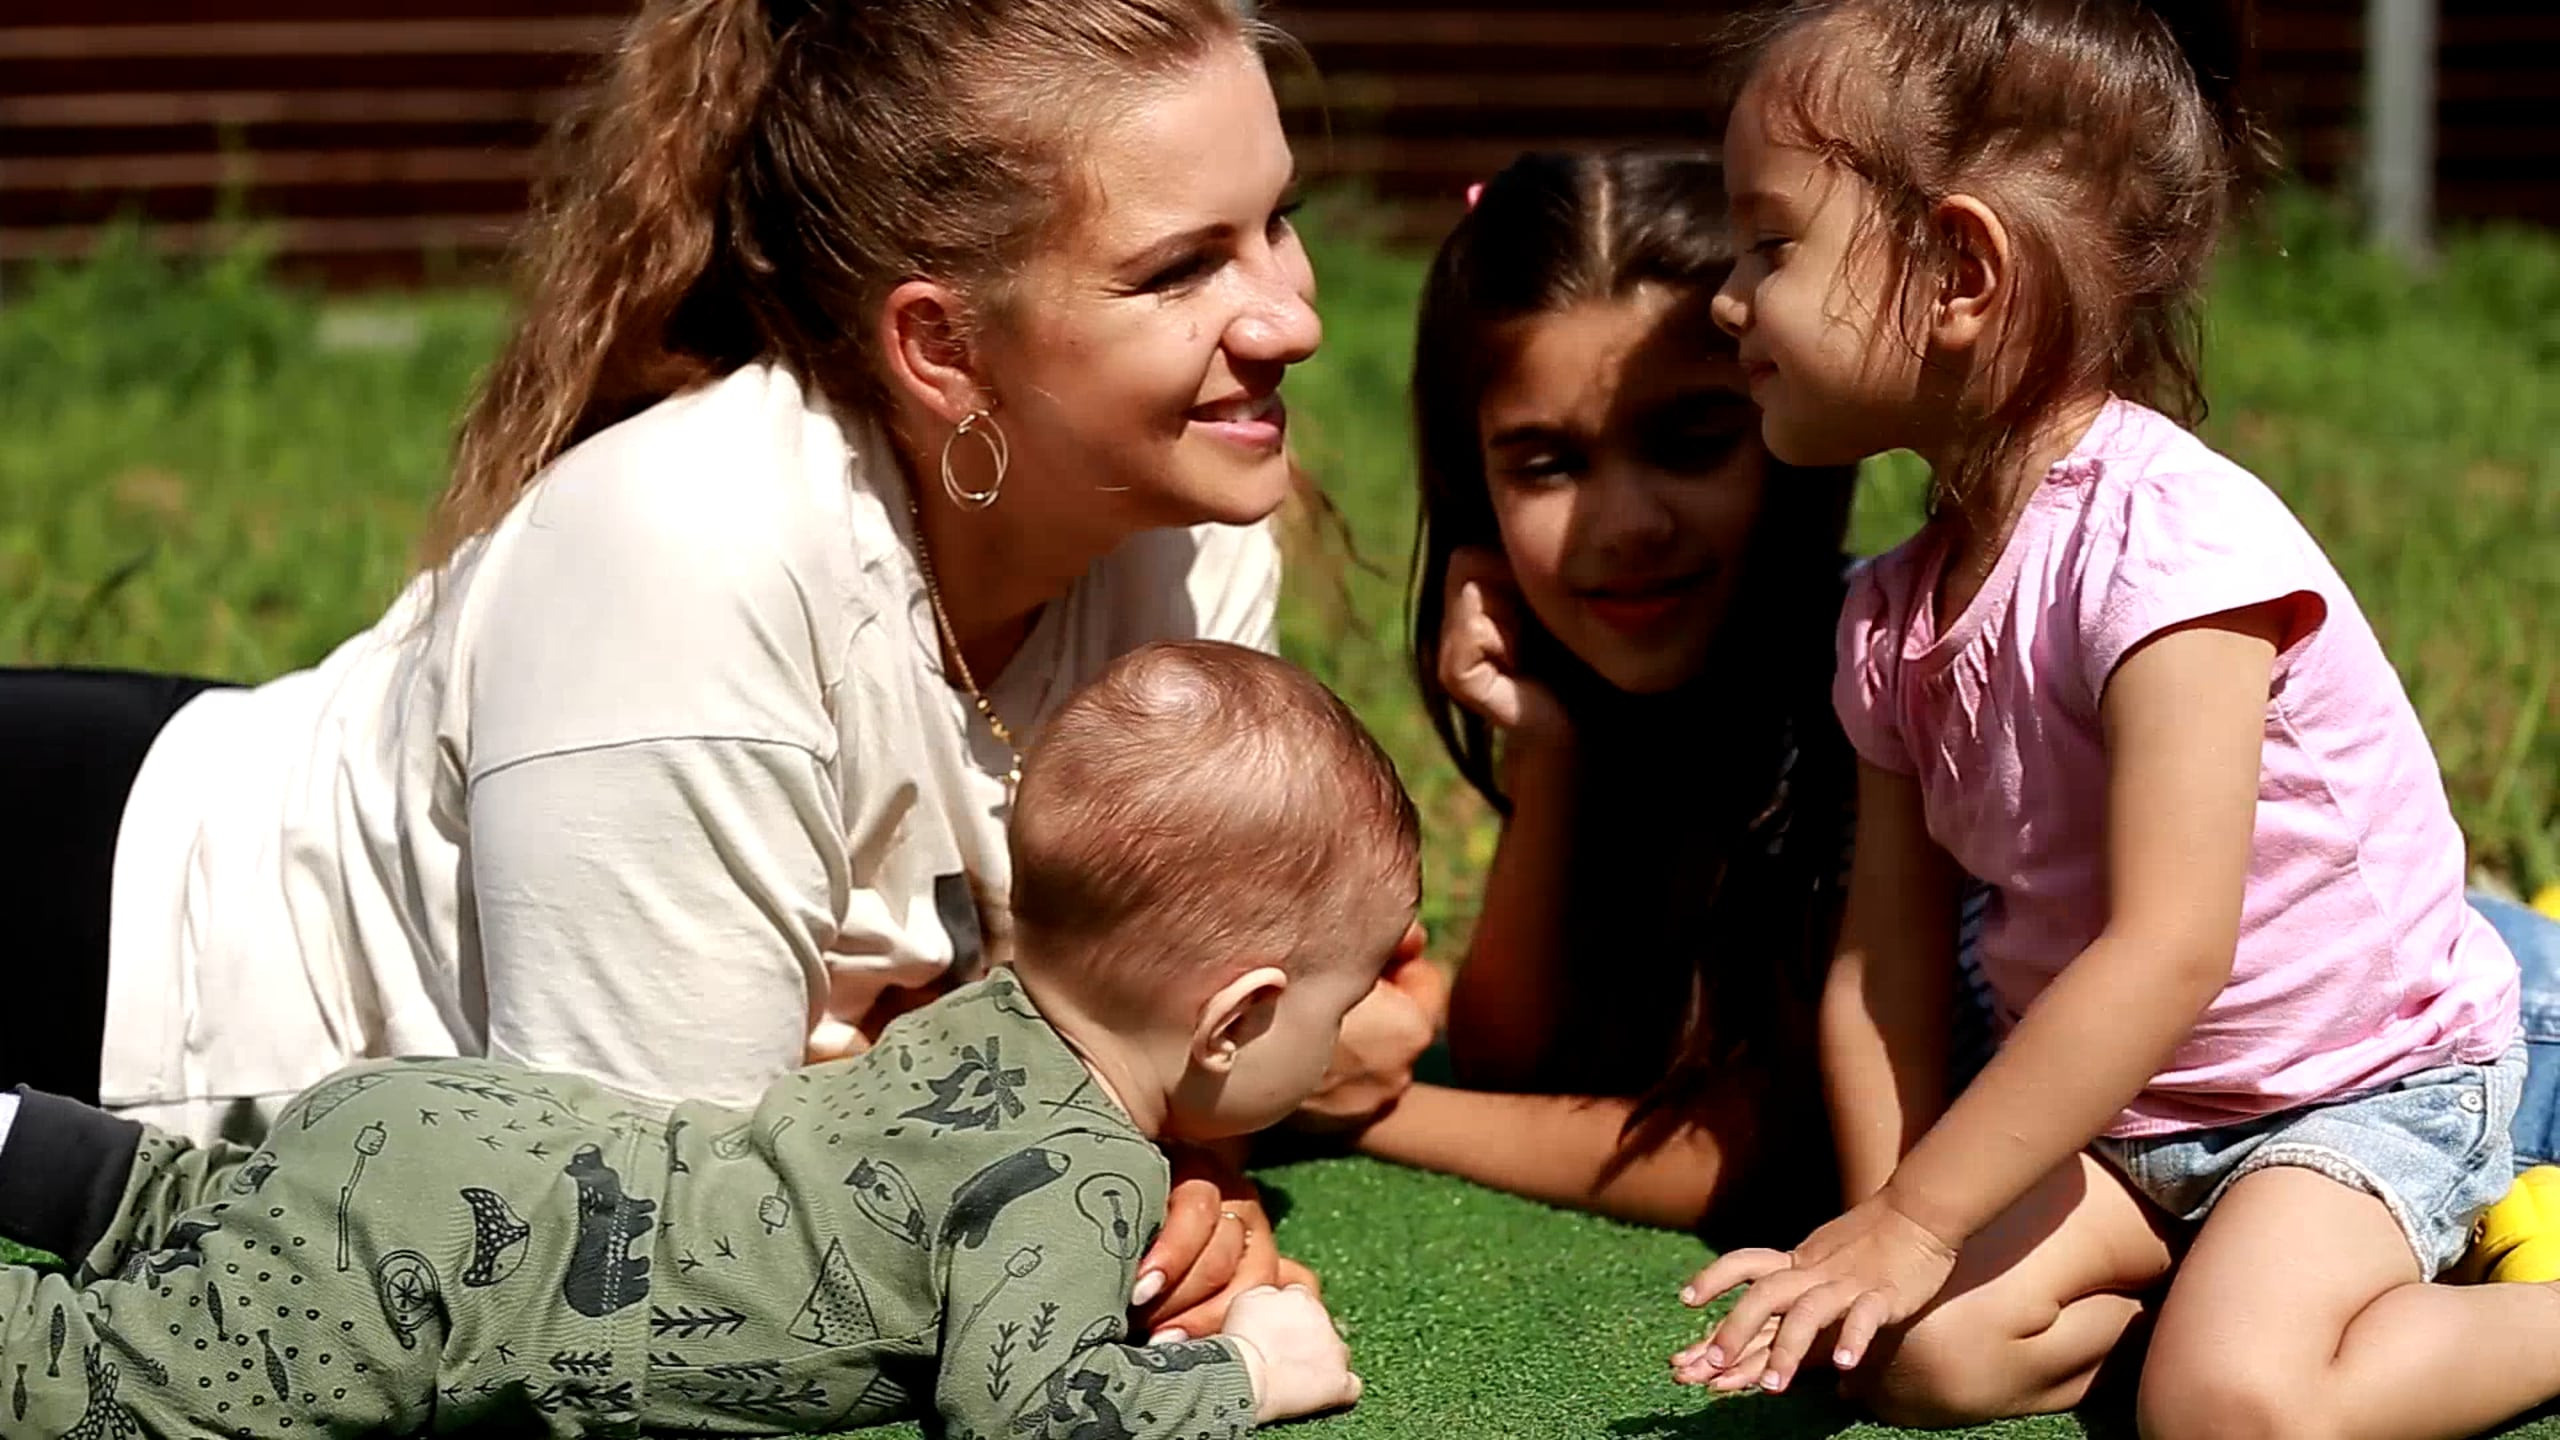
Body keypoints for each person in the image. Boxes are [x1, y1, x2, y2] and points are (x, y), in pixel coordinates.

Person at [0, 0, 1442, 1336]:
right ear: (941, 346)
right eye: (1182, 267)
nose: (1293, 317)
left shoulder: (1190, 533)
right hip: (103, 950)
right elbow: (669, 1245)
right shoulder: (693, 552)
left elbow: (1151, 1045)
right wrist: (1107, 1160)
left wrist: (1178, 1169)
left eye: (1280, 223)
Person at [1671, 5, 2560, 1437]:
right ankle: (2258, 1295)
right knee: (1925, 1361)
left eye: (1770, 245)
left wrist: (1925, 1215)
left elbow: (2169, 948)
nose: (1728, 298)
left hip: (2354, 1089)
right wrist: (1883, 1232)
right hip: (2129, 1122)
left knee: (2226, 1409)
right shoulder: (1892, 617)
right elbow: (1880, 964)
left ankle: (2490, 1314)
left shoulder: (2170, 559)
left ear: (1959, 271)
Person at [0, 641, 1409, 1440]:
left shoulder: (975, 1013)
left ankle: (41, 1151)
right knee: (122, 1383)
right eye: (1345, 1004)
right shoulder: (1076, 1175)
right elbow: (1024, 1416)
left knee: (205, 1210)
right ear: (1238, 1019)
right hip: (495, 1269)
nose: (1363, 1030)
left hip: (456, 1127)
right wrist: (1252, 1370)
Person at [1349, 150, 1873, 1242]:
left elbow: (1750, 1157)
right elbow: (1518, 1056)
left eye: (1689, 445)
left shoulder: (1862, 690)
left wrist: (1361, 1112)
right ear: (1473, 492)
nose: (1625, 524)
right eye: (1545, 466)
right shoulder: (1621, 698)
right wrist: (1553, 758)